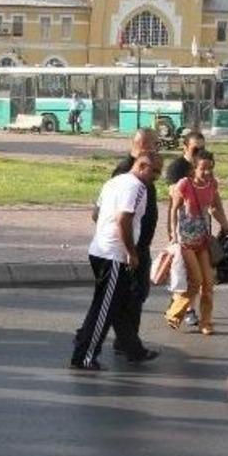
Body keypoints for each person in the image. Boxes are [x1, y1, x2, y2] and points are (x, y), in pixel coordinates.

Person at [70, 153, 156, 371]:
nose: (157, 176)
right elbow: (123, 219)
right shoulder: (137, 187)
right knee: (104, 308)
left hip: (101, 249)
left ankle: (134, 349)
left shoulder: (113, 182)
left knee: (118, 304)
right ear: (142, 166)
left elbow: (96, 214)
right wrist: (131, 251)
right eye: (154, 171)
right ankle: (84, 356)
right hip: (114, 254)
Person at [102, 129, 162, 360]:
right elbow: (120, 215)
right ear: (143, 144)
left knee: (137, 295)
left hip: (140, 244)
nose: (156, 148)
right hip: (128, 246)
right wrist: (129, 249)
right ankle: (129, 344)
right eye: (154, 144)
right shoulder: (126, 170)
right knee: (128, 297)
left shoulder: (146, 167)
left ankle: (126, 341)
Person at [165, 150, 228, 336]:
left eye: (211, 168)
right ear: (194, 169)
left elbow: (214, 208)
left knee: (208, 284)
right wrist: (173, 233)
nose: (207, 173)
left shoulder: (212, 185)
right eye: (203, 169)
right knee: (195, 280)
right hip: (186, 241)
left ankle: (206, 322)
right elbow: (174, 209)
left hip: (203, 240)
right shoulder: (184, 184)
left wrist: (227, 227)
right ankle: (174, 313)